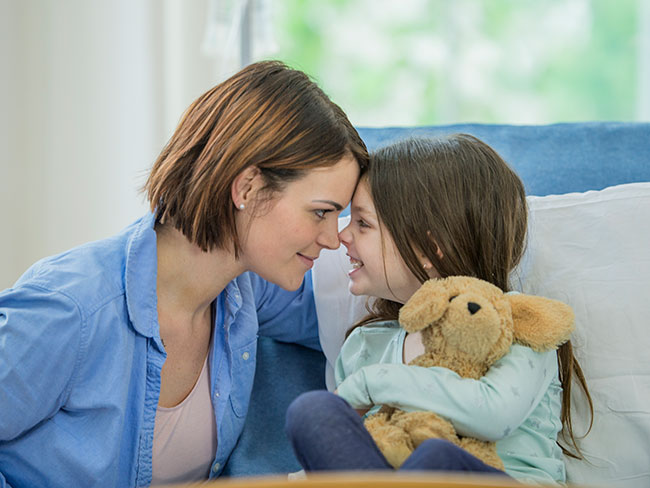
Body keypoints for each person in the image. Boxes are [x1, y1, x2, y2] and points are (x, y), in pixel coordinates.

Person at [0, 60, 368, 487]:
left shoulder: (247, 291)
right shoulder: (71, 310)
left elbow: (367, 312)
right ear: (247, 188)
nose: (331, 238)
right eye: (321, 212)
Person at [285, 135, 593, 484]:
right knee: (311, 412)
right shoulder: (364, 346)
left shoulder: (519, 330)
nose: (342, 236)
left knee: (437, 458)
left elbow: (494, 415)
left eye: (363, 223)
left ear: (428, 250)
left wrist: (373, 384)